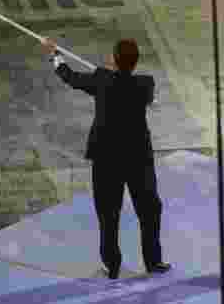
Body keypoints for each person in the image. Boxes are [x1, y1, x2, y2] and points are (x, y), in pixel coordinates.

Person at [45, 37, 171, 279]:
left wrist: (55, 55)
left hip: (107, 159)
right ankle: (153, 262)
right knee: (150, 211)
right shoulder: (145, 84)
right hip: (138, 160)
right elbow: (145, 95)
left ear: (114, 59)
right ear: (135, 62)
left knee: (108, 214)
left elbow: (69, 77)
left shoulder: (101, 80)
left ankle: (112, 266)